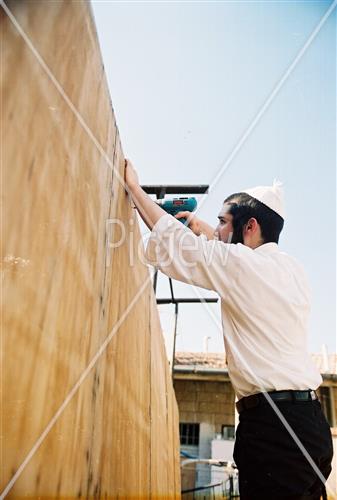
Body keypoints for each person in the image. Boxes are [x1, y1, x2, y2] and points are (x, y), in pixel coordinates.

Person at [124, 159, 333, 499]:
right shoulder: (291, 269)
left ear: (249, 226)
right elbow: (226, 253)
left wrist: (135, 191)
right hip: (310, 426)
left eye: (223, 222)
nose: (217, 230)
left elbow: (190, 250)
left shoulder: (242, 267)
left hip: (274, 431)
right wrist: (199, 226)